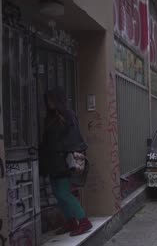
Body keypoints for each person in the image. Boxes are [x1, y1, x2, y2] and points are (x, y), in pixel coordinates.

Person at [39, 88, 92, 237]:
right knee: (57, 193)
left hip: (63, 161)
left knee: (64, 193)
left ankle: (83, 221)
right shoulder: (49, 118)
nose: (49, 103)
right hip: (52, 162)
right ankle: (70, 221)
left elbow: (74, 138)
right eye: (47, 100)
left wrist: (62, 150)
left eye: (51, 99)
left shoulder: (68, 115)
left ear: (58, 100)